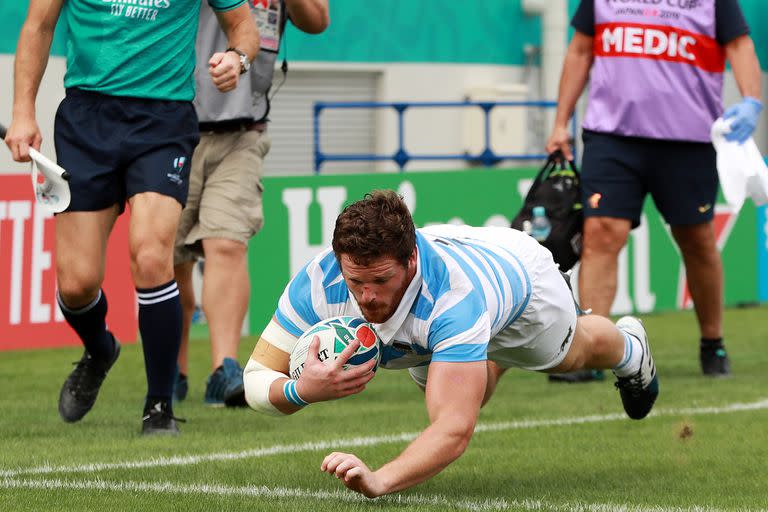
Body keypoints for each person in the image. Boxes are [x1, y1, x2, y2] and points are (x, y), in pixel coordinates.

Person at [242, 189, 659, 498]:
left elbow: (454, 431)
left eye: (381, 281)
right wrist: (299, 391)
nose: (367, 296)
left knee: (574, 354)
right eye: (356, 282)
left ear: (410, 262)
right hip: (460, 308)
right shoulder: (319, 281)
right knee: (470, 391)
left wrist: (380, 480)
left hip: (521, 283)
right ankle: (482, 359)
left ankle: (630, 348)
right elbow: (256, 376)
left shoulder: (453, 301)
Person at [4, 0, 259, 435]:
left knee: (149, 254)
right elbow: (38, 25)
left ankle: (159, 404)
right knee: (76, 282)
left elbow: (243, 26)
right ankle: (100, 348)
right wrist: (23, 111)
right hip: (87, 119)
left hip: (163, 121)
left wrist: (238, 58)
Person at [546, 0, 762, 377]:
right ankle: (591, 348)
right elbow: (580, 49)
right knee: (600, 234)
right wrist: (560, 122)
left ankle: (713, 344)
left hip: (689, 140)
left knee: (695, 238)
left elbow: (740, 46)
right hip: (612, 136)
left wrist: (752, 101)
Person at [173, 0, 329, 406]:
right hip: (171, 124)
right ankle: (172, 367)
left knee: (227, 241)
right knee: (171, 260)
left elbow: (316, 21)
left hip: (243, 130)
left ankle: (224, 368)